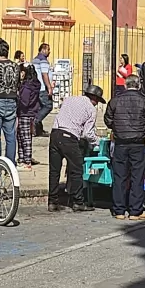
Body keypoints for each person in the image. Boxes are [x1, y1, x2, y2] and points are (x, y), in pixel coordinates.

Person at [105, 77, 145, 221]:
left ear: (125, 85)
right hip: (138, 144)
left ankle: (119, 211)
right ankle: (135, 211)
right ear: (139, 85)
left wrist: (117, 128)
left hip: (121, 143)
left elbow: (108, 120)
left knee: (119, 177)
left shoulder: (115, 101)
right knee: (137, 177)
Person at [48, 83, 103, 211]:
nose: (97, 104)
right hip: (70, 138)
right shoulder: (91, 109)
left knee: (54, 170)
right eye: (97, 101)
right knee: (77, 169)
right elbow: (87, 133)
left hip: (55, 133)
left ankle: (52, 201)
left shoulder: (70, 99)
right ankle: (78, 201)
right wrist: (97, 142)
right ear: (94, 99)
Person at [15, 53, 41, 166]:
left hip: (25, 113)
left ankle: (27, 159)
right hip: (31, 113)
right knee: (22, 137)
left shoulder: (26, 87)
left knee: (25, 138)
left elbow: (24, 102)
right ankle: (22, 158)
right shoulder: (35, 85)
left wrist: (17, 98)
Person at [30, 43, 56, 135]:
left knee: (40, 108)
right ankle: (35, 121)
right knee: (48, 106)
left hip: (36, 88)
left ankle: (38, 130)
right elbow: (44, 75)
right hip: (42, 88)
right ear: (43, 50)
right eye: (48, 50)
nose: (49, 52)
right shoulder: (43, 61)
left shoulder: (35, 60)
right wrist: (49, 87)